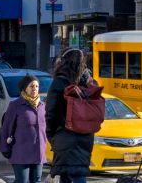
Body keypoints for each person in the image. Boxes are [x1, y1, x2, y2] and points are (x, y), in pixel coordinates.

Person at [45, 48, 95, 183]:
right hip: (85, 137)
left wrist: (51, 135)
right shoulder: (88, 84)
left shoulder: (59, 82)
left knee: (68, 173)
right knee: (77, 172)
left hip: (64, 135)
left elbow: (51, 113)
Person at [1, 74, 47, 183]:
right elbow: (6, 128)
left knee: (36, 180)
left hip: (38, 153)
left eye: (36, 86)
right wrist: (5, 149)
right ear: (25, 88)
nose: (34, 89)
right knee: (22, 181)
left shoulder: (43, 106)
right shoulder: (15, 105)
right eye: (31, 86)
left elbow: (47, 129)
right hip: (21, 153)